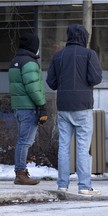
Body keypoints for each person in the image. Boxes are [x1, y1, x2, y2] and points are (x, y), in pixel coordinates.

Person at [46, 24, 102, 194]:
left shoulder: (58, 55)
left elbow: (51, 82)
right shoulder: (89, 54)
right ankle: (84, 186)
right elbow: (96, 78)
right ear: (84, 37)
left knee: (63, 146)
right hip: (83, 106)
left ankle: (62, 185)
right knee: (83, 147)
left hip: (63, 105)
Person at [8, 32, 48, 185]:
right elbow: (33, 88)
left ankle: (20, 172)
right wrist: (42, 105)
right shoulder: (29, 63)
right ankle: (20, 173)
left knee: (22, 141)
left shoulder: (15, 61)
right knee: (24, 142)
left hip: (18, 107)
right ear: (33, 46)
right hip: (29, 108)